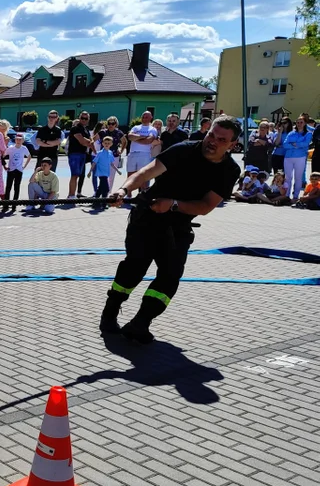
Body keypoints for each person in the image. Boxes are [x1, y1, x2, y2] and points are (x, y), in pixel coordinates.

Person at [100, 115, 242, 343]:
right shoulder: (183, 150)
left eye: (221, 139)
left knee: (170, 276)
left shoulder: (229, 170)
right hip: (147, 218)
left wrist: (173, 205)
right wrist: (123, 191)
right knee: (134, 268)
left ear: (232, 145)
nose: (212, 141)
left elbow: (206, 206)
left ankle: (141, 322)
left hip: (178, 226)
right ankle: (110, 312)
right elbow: (146, 172)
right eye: (211, 135)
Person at [282, 114, 311, 200]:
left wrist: (295, 144)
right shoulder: (291, 133)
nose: (299, 124)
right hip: (288, 157)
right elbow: (285, 144)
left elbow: (306, 144)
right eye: (297, 122)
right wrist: (297, 145)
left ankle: (295, 195)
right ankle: (287, 195)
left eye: (301, 122)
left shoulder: (308, 134)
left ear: (305, 123)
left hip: (300, 157)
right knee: (288, 177)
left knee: (298, 177)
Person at [67, 111, 94, 199]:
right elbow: (82, 141)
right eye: (82, 118)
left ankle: (73, 194)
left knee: (78, 175)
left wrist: (88, 142)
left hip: (83, 154)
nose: (84, 120)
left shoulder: (86, 130)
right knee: (74, 175)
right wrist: (88, 141)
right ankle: (71, 195)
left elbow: (90, 142)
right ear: (79, 118)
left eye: (86, 118)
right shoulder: (75, 128)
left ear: (88, 120)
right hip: (74, 154)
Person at [2, 133, 32, 208]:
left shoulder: (24, 148)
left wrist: (24, 166)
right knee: (8, 187)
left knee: (17, 187)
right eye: (17, 139)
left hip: (19, 170)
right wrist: (4, 165)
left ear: (22, 140)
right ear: (15, 140)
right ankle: (6, 204)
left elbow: (29, 156)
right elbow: (2, 156)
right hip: (11, 169)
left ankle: (14, 204)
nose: (18, 141)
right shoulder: (11, 148)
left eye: (20, 139)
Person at [127, 111, 158, 176]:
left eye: (146, 117)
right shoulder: (135, 127)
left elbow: (148, 141)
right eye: (143, 117)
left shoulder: (153, 129)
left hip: (145, 154)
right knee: (130, 176)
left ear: (151, 118)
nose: (144, 118)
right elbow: (130, 137)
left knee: (142, 176)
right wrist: (143, 137)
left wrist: (135, 138)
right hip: (132, 153)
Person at [91, 137, 119, 207]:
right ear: (102, 144)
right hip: (100, 173)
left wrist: (117, 170)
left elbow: (111, 163)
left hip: (106, 173)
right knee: (106, 188)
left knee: (101, 188)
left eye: (108, 143)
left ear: (111, 144)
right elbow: (94, 162)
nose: (107, 144)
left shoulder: (110, 153)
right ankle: (103, 202)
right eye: (105, 143)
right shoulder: (100, 153)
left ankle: (96, 202)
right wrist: (90, 171)